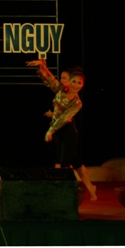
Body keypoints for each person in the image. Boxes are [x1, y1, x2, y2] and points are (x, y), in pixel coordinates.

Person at [26, 59, 97, 201]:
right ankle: (90, 188)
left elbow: (64, 118)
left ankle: (61, 193)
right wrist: (42, 66)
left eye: (79, 83)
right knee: (76, 162)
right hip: (58, 132)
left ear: (83, 85)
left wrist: (50, 130)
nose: (76, 85)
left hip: (68, 133)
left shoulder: (77, 103)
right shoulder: (62, 90)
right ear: (69, 82)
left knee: (63, 164)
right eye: (74, 81)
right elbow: (50, 80)